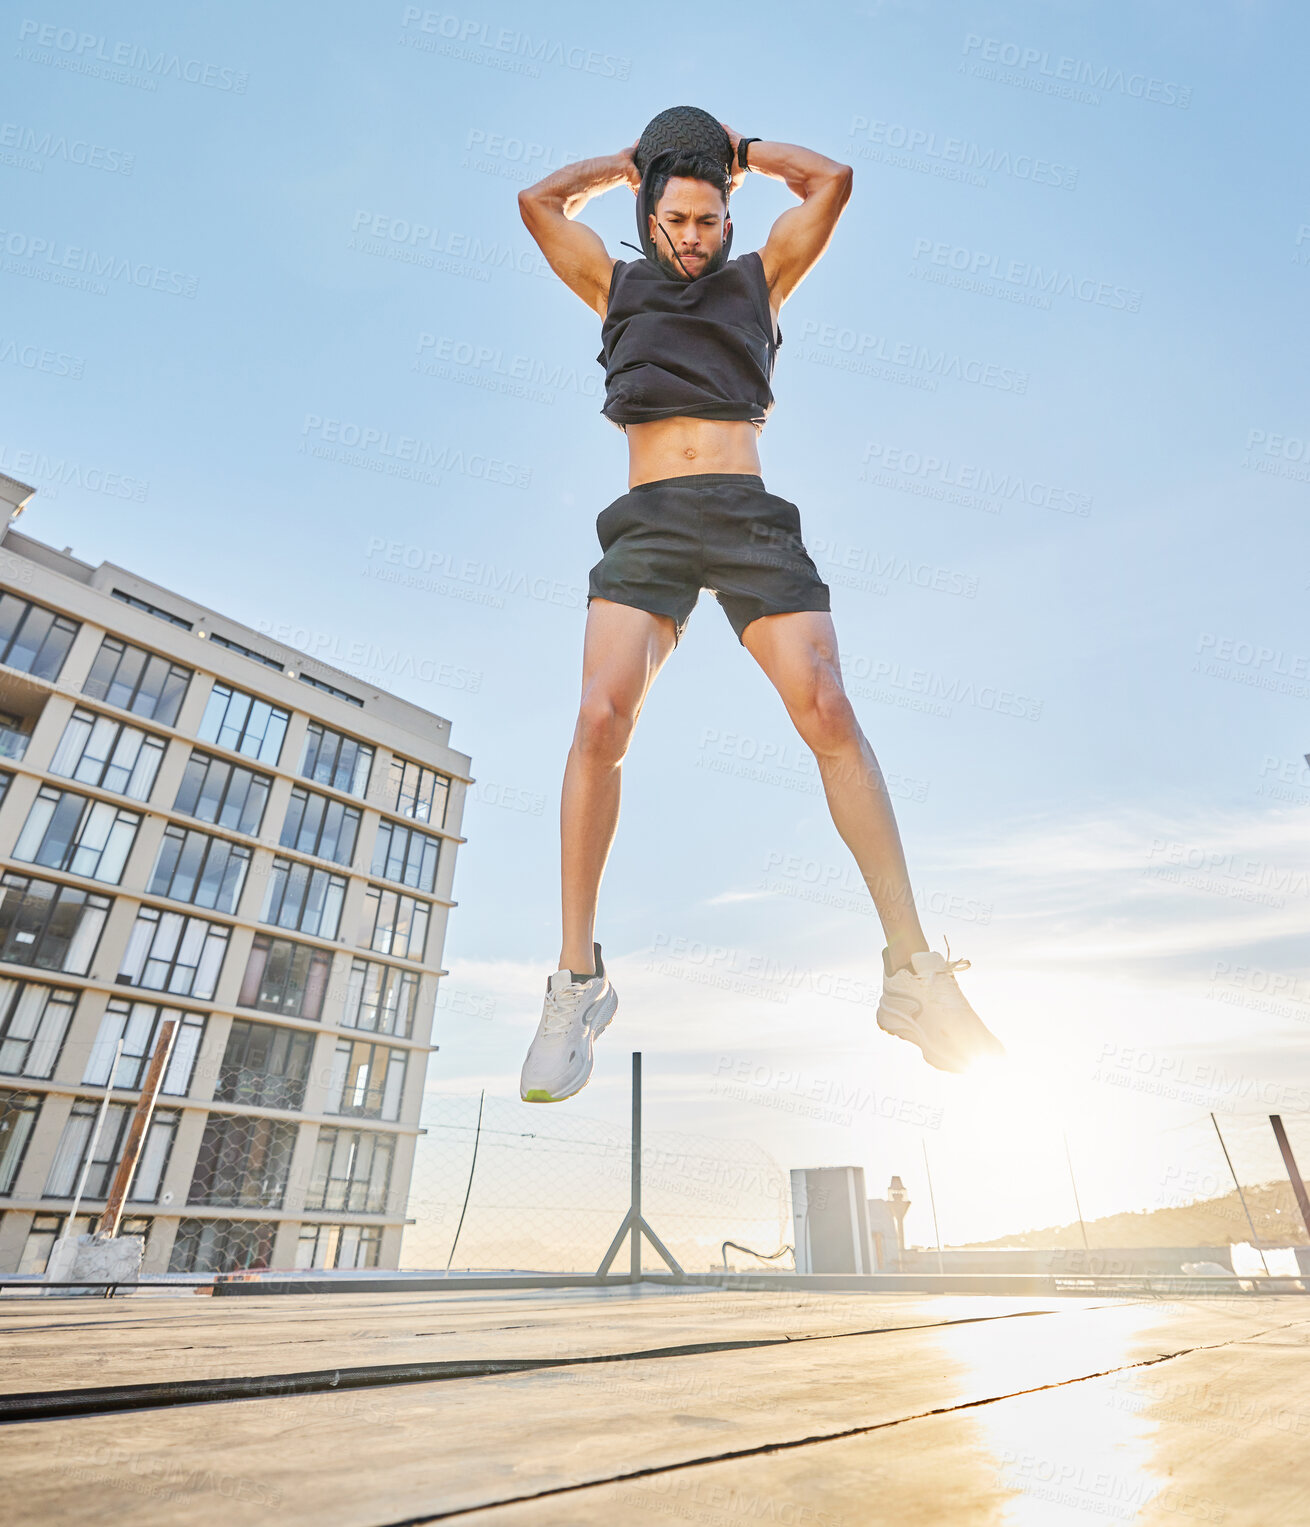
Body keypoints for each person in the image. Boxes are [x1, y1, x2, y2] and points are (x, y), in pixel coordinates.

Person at [515, 120, 1004, 1102]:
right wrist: (629, 163)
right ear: (649, 216)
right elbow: (537, 202)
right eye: (675, 218)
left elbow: (830, 181)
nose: (692, 236)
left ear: (728, 216)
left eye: (707, 219)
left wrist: (739, 148)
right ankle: (576, 983)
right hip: (648, 520)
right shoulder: (613, 284)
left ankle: (911, 974)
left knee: (823, 705)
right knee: (598, 717)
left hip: (745, 513)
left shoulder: (759, 278)